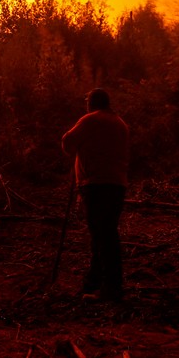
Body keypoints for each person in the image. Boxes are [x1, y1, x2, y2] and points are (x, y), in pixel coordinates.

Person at [61, 88, 130, 302]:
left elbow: (67, 142)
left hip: (96, 184)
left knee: (103, 236)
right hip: (117, 184)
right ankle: (94, 283)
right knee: (105, 234)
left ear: (91, 103)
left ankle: (111, 288)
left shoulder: (90, 120)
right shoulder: (120, 124)